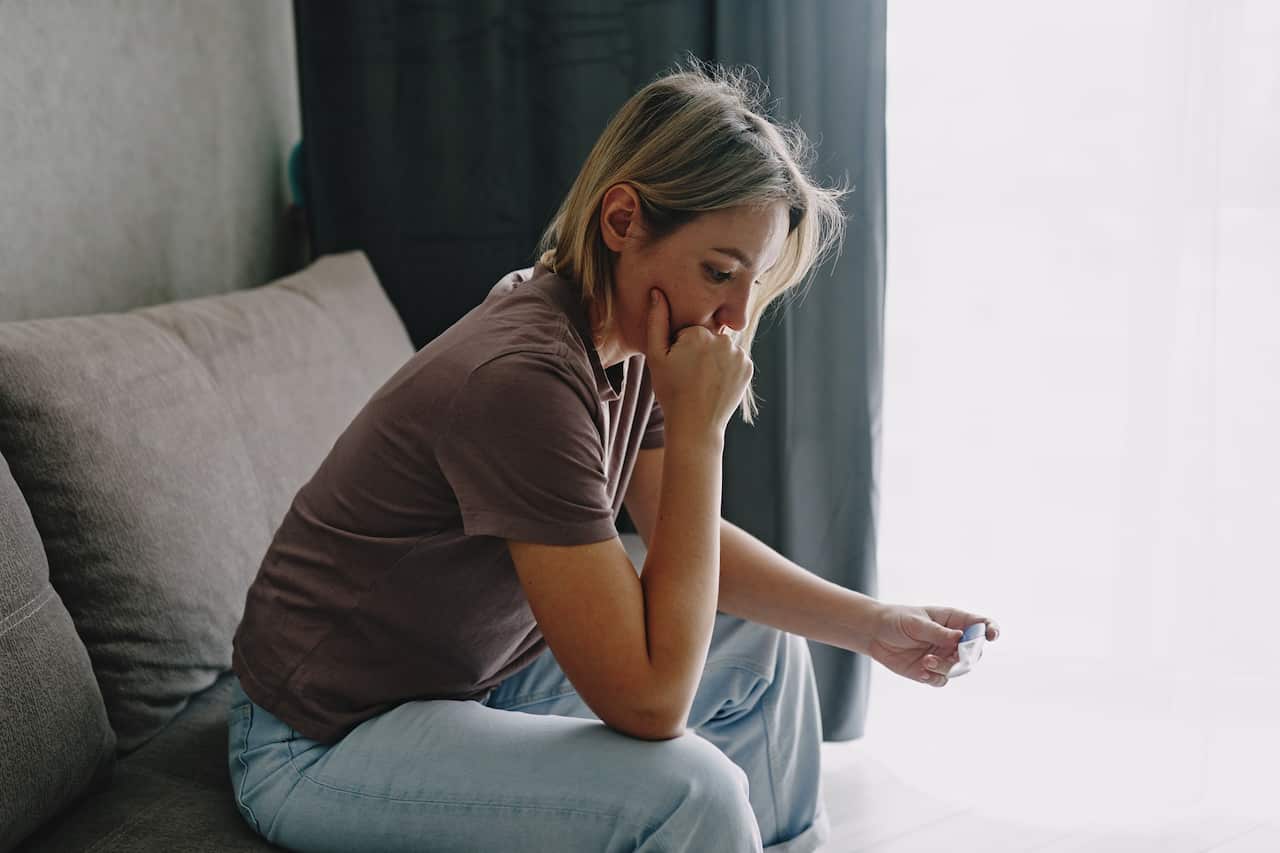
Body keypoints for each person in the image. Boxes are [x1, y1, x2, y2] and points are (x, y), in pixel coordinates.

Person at [226, 56, 1001, 853]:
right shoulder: (523, 377)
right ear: (623, 220)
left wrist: (874, 625)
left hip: (472, 675)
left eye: (753, 282)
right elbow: (651, 700)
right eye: (718, 272)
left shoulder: (622, 342)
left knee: (764, 651)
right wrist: (702, 431)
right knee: (691, 795)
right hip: (321, 737)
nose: (735, 317)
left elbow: (680, 536)